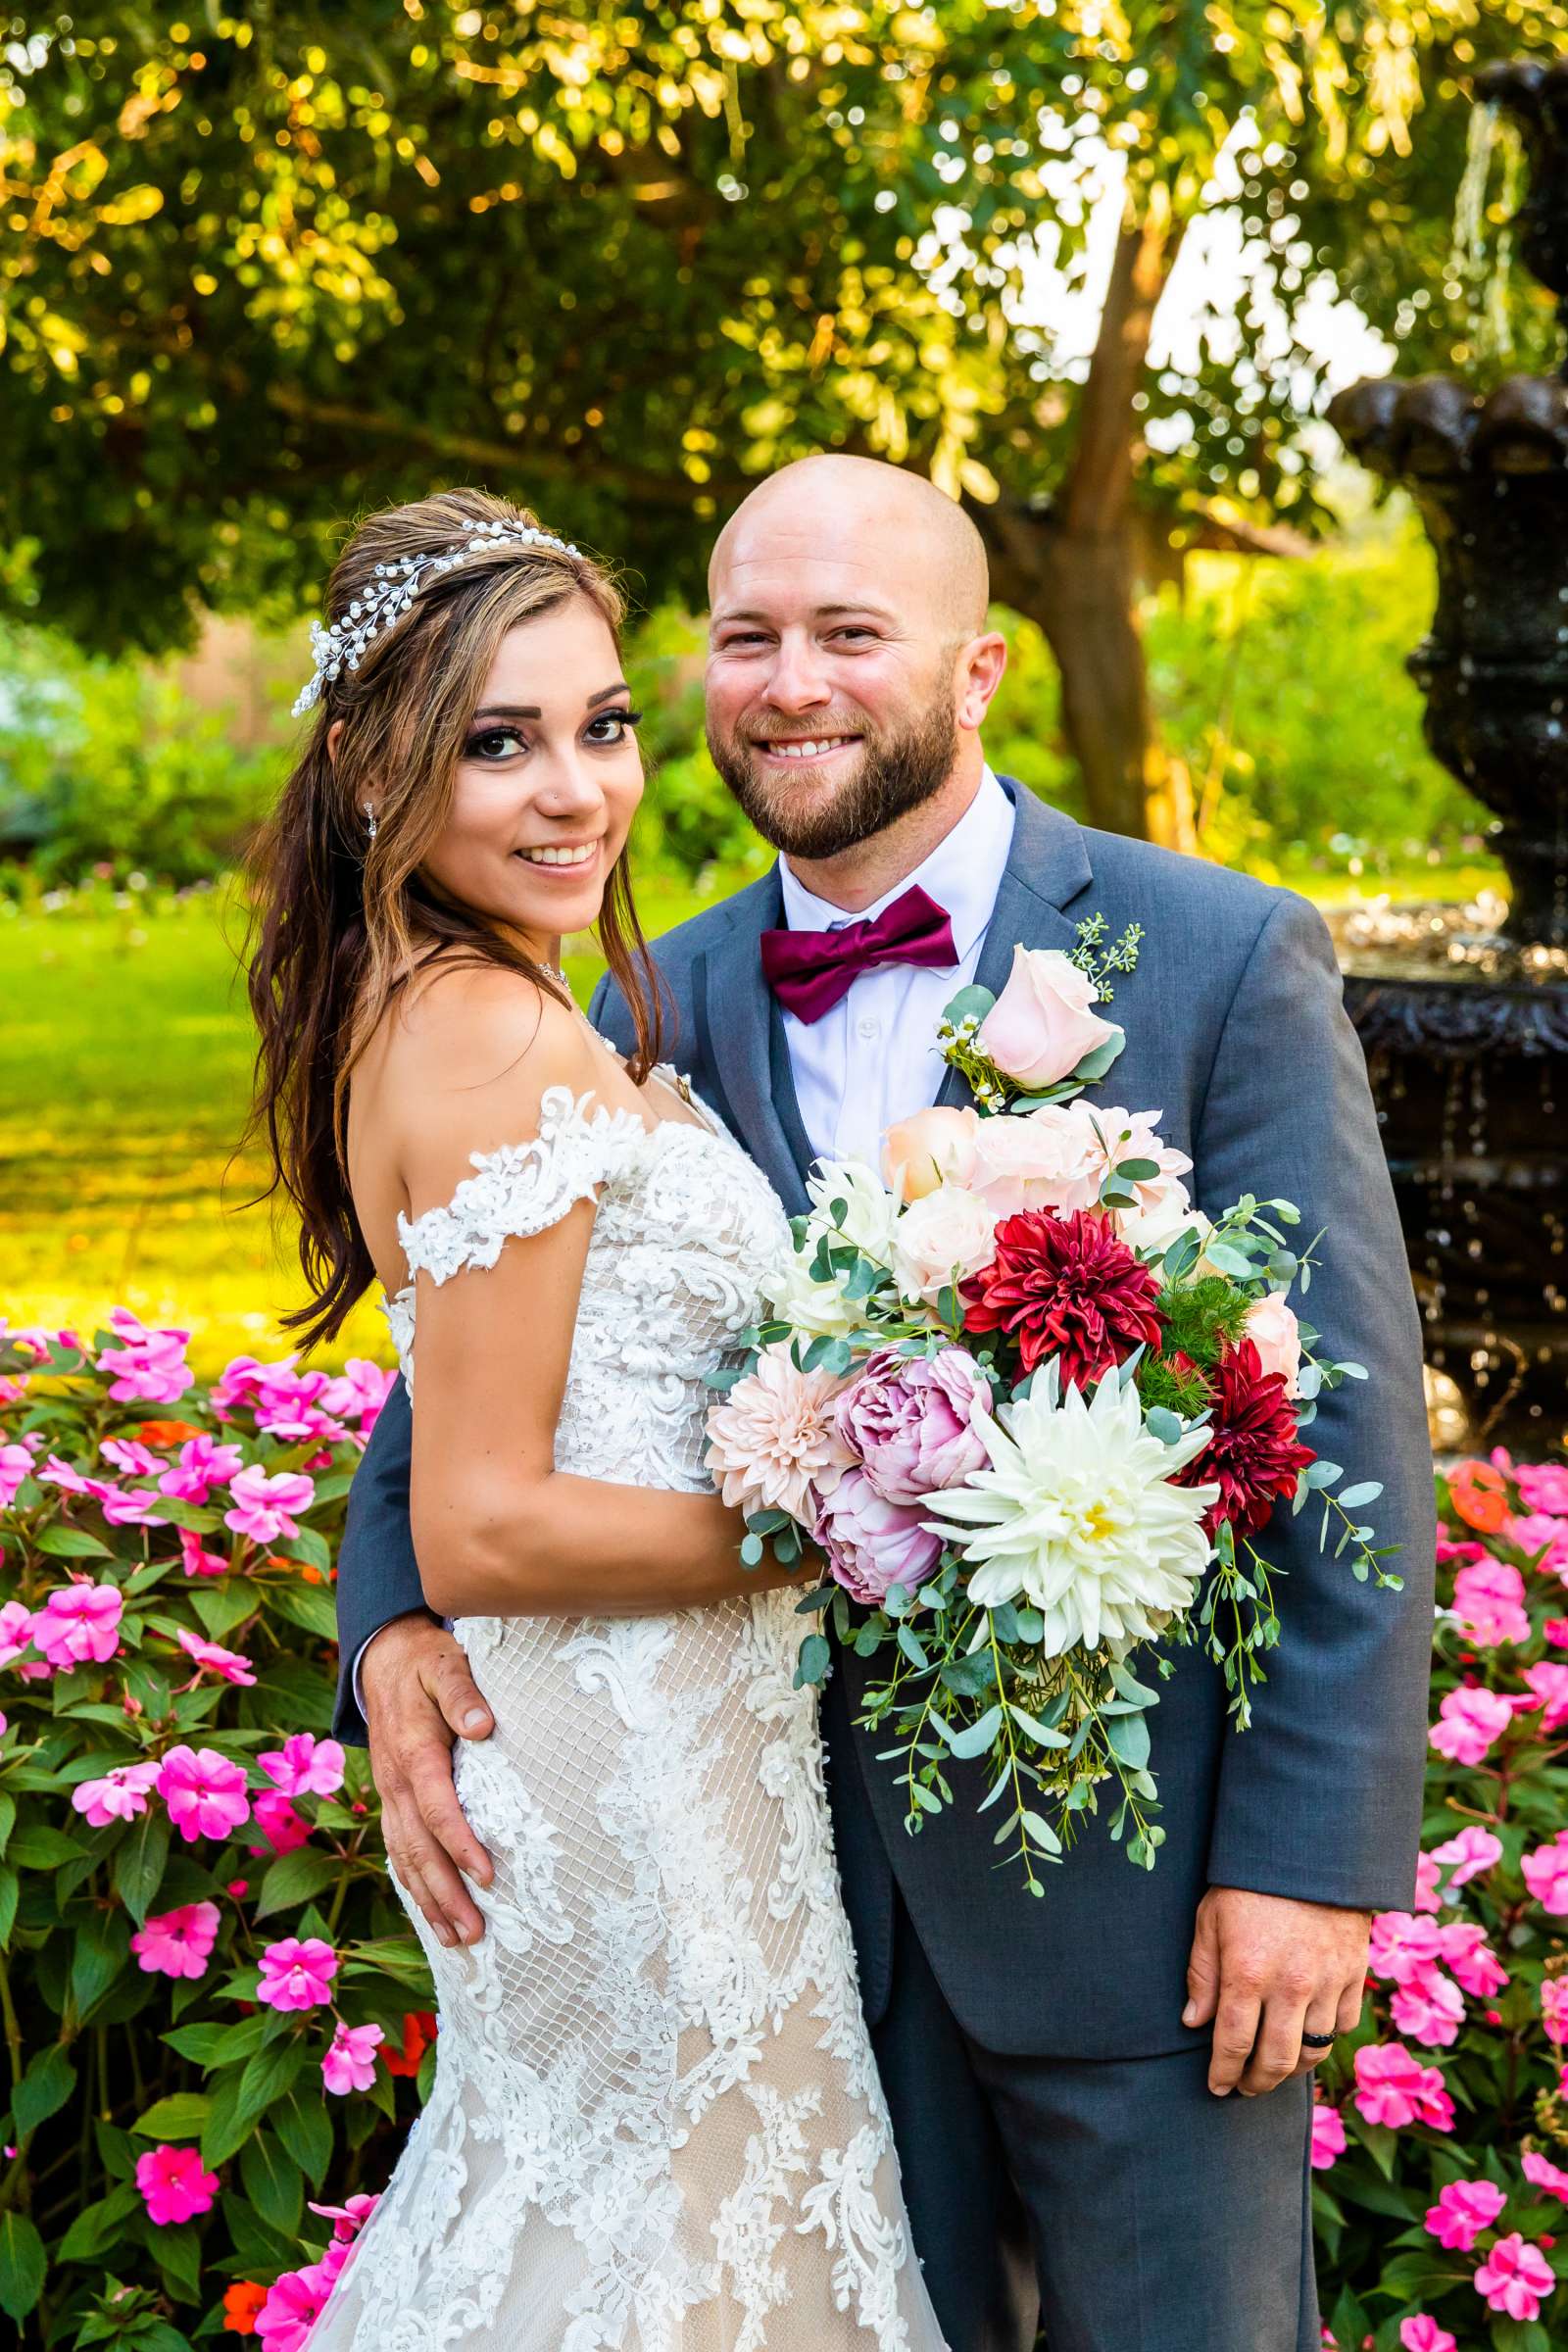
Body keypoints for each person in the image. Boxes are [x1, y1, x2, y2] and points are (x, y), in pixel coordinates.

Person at [332, 458, 1438, 2352]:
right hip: (791, 1916)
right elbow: (473, 1359)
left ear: (981, 668)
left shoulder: (1220, 958)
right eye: (747, 635)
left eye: (851, 632)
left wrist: (1302, 1871)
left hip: (1142, 1907)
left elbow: (1347, 1439)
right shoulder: (637, 1000)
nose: (791, 681)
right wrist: (392, 1622)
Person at [247, 486, 950, 2351]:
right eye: (500, 743)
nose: (576, 791)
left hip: (684, 1749)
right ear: (373, 765)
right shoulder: (486, 1035)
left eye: (601, 726)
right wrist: (867, 1524)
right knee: (679, 2246)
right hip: (624, 1778)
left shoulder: (481, 999)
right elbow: (481, 1521)